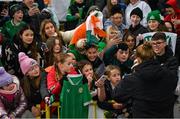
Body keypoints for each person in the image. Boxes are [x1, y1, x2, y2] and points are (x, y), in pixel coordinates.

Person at [112, 42, 178, 117]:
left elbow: (117, 96)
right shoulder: (169, 74)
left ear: (138, 59)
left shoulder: (132, 79)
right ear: (154, 56)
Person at [18, 52, 51, 118]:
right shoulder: (23, 83)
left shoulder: (43, 75)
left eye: (36, 66)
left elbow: (43, 87)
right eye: (32, 69)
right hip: (34, 110)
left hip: (46, 107)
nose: (35, 70)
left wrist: (46, 96)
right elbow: (24, 98)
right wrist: (31, 107)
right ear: (27, 73)